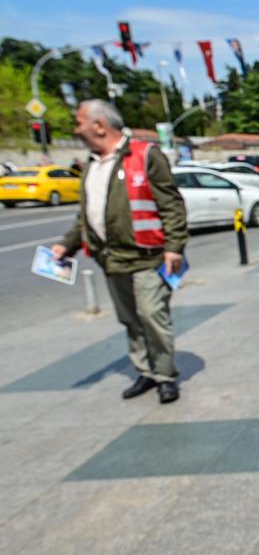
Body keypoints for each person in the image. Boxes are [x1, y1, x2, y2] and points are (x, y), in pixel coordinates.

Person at [52, 100, 188, 404]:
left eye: (79, 122)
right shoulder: (91, 165)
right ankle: (146, 371)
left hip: (148, 257)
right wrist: (67, 244)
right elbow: (87, 215)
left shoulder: (145, 155)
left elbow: (171, 204)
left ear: (99, 126)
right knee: (130, 320)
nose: (76, 130)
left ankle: (165, 375)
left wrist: (174, 247)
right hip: (111, 260)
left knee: (152, 315)